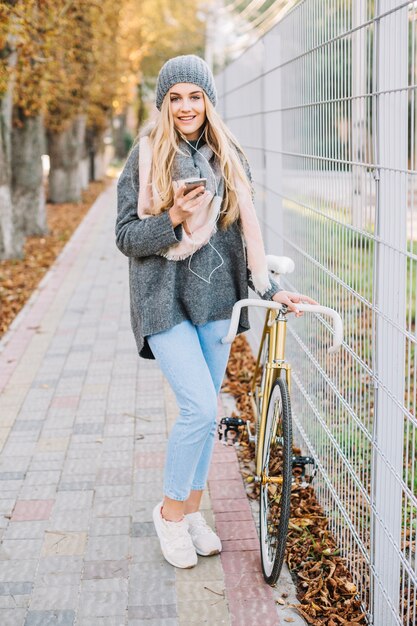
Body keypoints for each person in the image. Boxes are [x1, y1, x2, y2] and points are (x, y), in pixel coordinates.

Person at [115, 54, 317, 569]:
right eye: (175, 97)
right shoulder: (145, 157)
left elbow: (245, 239)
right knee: (200, 409)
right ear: (164, 104)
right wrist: (173, 219)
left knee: (205, 420)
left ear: (208, 100)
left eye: (195, 96)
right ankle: (169, 514)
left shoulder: (230, 158)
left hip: (215, 303)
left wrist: (271, 290)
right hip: (161, 300)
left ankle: (192, 510)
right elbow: (125, 237)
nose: (186, 107)